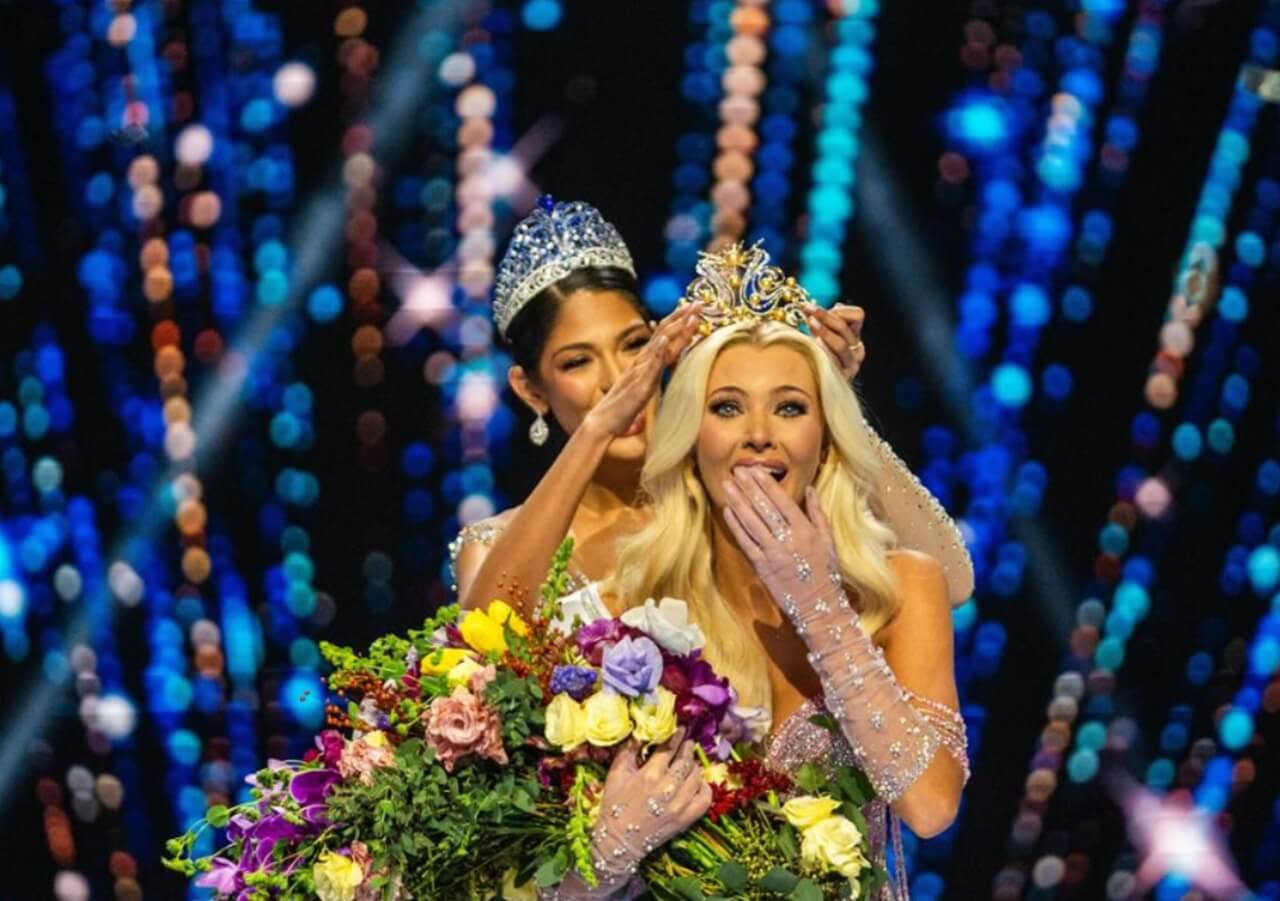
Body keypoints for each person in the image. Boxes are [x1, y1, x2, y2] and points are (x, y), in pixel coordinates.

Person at [600, 244, 969, 898]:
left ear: (824, 440)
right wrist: (607, 852)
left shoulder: (901, 589)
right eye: (727, 407)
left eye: (791, 407)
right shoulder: (630, 607)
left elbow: (933, 806)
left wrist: (820, 603)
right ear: (690, 440)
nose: (759, 434)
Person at [451, 198, 973, 616]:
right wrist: (597, 430)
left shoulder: (734, 489)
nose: (619, 381)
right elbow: (481, 645)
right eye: (577, 362)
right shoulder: (496, 545)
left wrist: (838, 403)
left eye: (634, 346)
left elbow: (949, 581)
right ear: (530, 390)